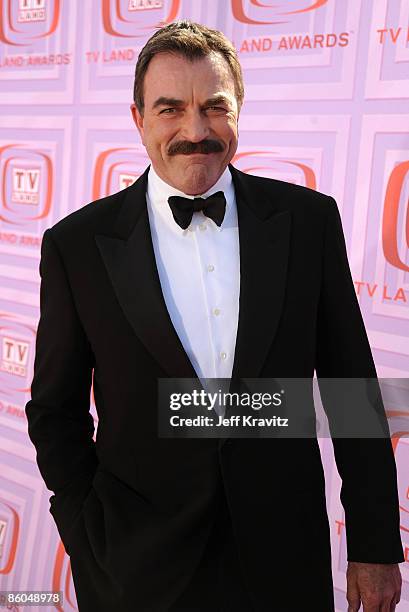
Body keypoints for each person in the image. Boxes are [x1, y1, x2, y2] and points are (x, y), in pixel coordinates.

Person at [25, 19, 404, 612]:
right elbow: (55, 412)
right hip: (136, 570)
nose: (195, 131)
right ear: (139, 119)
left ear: (238, 112)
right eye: (171, 109)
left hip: (285, 561)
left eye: (214, 107)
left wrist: (376, 545)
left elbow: (351, 392)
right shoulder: (77, 246)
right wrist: (88, 537)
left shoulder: (306, 223)